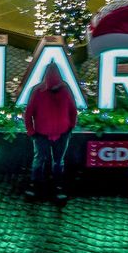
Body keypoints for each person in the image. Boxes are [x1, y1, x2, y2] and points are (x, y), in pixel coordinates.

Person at [24, 68, 78, 201]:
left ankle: (53, 185)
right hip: (44, 134)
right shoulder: (42, 91)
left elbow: (73, 110)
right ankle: (38, 184)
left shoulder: (44, 90)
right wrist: (31, 131)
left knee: (55, 161)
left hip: (58, 133)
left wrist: (70, 128)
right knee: (45, 160)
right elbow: (28, 113)